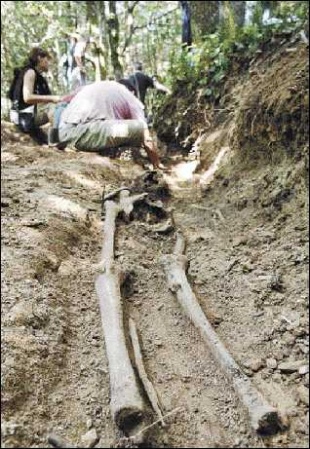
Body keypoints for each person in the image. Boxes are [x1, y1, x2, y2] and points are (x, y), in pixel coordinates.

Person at [56, 80, 163, 169]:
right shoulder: (129, 97)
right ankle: (156, 166)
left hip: (63, 131)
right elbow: (144, 132)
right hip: (76, 133)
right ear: (133, 92)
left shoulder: (100, 86)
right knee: (140, 127)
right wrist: (156, 162)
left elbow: (63, 101)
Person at [9, 47, 61, 144]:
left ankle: (53, 139)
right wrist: (52, 98)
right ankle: (56, 141)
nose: (48, 63)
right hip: (22, 117)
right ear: (39, 58)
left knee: (57, 106)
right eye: (47, 60)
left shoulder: (36, 76)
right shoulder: (30, 72)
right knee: (53, 107)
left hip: (24, 115)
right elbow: (27, 97)